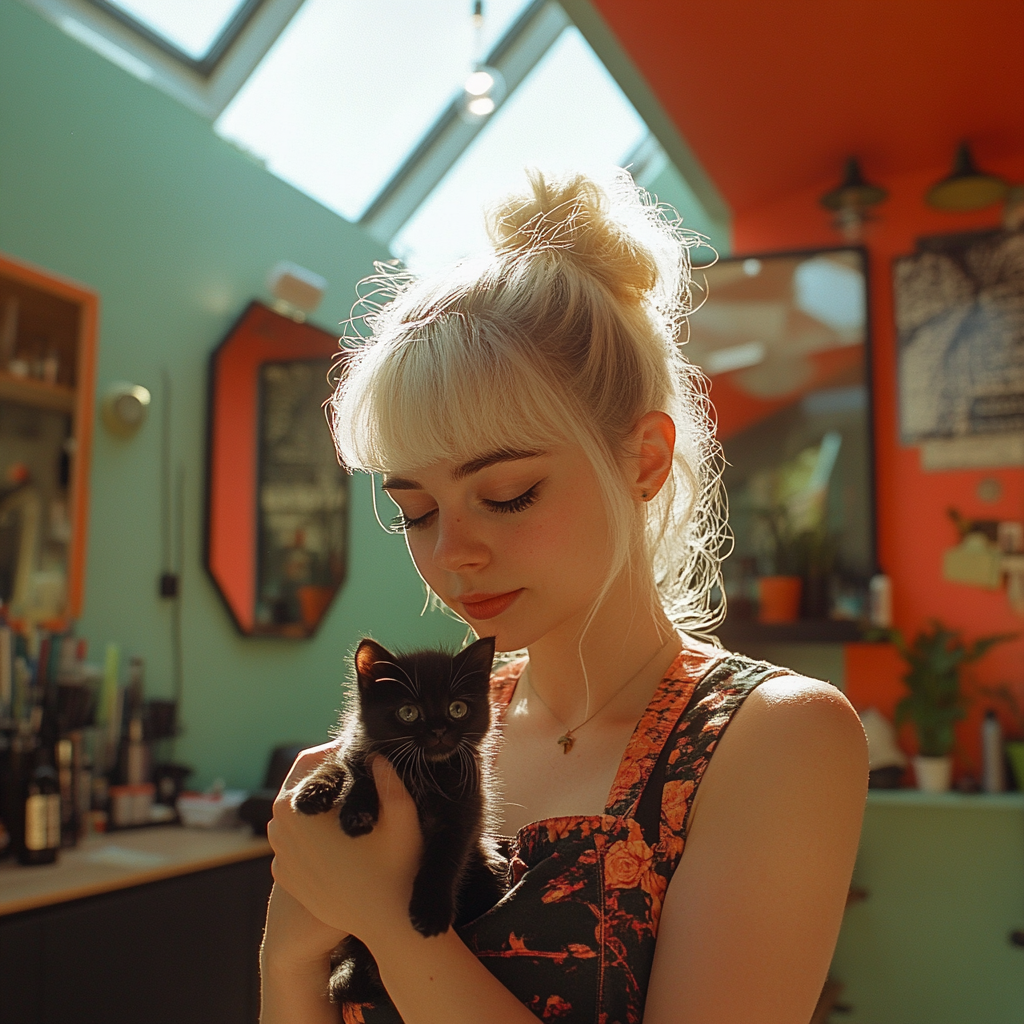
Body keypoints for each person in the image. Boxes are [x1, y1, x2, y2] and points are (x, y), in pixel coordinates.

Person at [262, 170, 868, 1024]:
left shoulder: (775, 739)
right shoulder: (434, 739)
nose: (453, 551)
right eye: (416, 512)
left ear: (645, 461)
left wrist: (389, 927)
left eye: (507, 493)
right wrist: (287, 957)